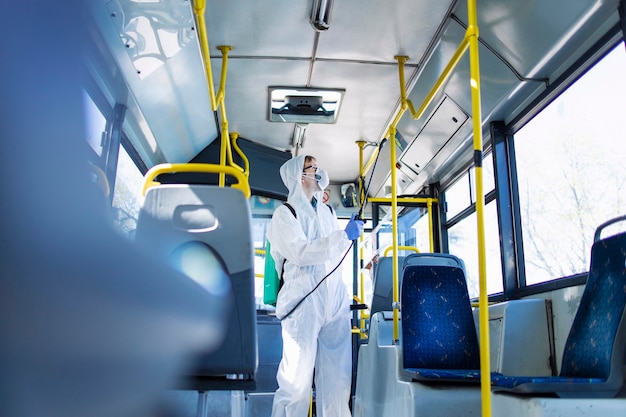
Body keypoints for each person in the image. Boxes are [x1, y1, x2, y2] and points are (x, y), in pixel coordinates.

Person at [267, 155, 364, 417]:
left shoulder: (328, 211)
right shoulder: (285, 214)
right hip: (303, 303)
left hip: (334, 300)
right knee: (296, 382)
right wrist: (342, 236)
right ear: (299, 175)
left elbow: (335, 251)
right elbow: (301, 252)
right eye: (312, 169)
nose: (318, 173)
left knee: (337, 379)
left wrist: (351, 237)